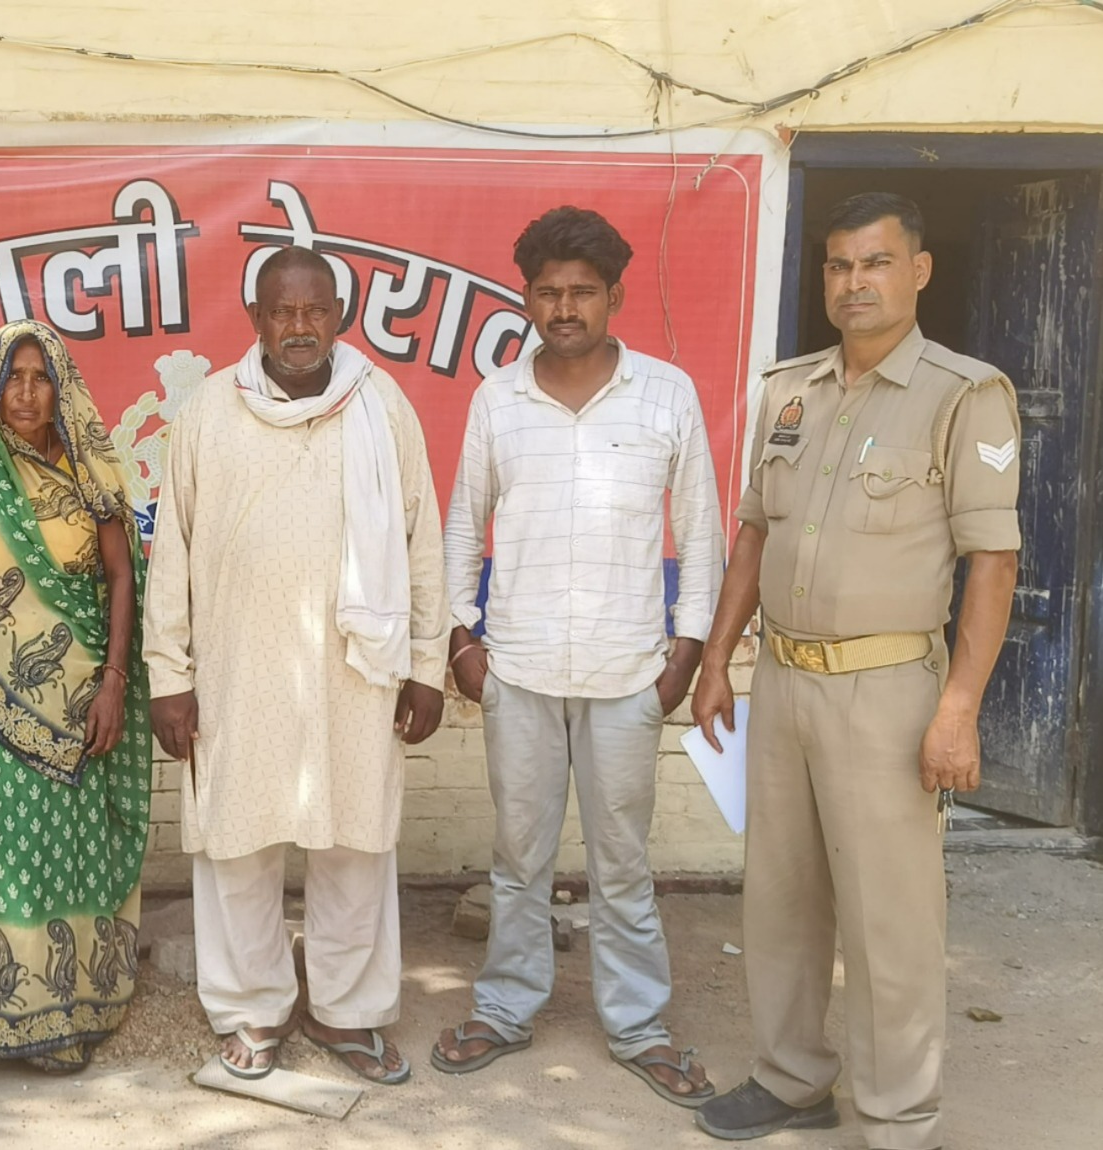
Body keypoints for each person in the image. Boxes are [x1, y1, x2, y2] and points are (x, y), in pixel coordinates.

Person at [691, 194, 1021, 1150]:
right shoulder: (789, 391)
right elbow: (754, 533)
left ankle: (897, 1115)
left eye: (874, 263)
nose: (853, 283)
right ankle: (790, 1077)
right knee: (781, 897)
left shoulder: (962, 394)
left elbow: (991, 563)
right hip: (784, 679)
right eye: (838, 265)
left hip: (886, 692)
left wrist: (957, 710)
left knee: (889, 916)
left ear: (917, 271)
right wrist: (716, 660)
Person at [433, 206, 723, 1106]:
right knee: (516, 859)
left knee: (621, 865)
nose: (563, 308)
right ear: (526, 298)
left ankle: (637, 1026)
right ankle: (504, 1008)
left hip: (626, 673)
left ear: (613, 297)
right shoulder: (496, 399)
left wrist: (683, 656)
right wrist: (459, 637)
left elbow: (701, 536)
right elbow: (461, 525)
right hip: (517, 670)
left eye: (582, 292)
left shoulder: (666, 394)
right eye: (548, 292)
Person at [143, 245, 447, 1085]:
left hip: (356, 670)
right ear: (256, 319)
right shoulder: (209, 411)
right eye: (283, 311)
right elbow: (173, 552)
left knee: (353, 843)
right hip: (237, 671)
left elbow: (421, 539)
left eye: (316, 311)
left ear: (339, 317)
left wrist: (426, 665)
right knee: (237, 846)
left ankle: (347, 1010)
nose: (300, 327)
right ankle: (254, 1007)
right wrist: (168, 677)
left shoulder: (381, 406)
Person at [0, 319, 152, 1074]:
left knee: (62, 856)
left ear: (61, 387)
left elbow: (121, 577)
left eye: (40, 377)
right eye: (12, 376)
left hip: (77, 705)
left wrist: (113, 682)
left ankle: (67, 1007)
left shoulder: (90, 467)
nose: (25, 392)